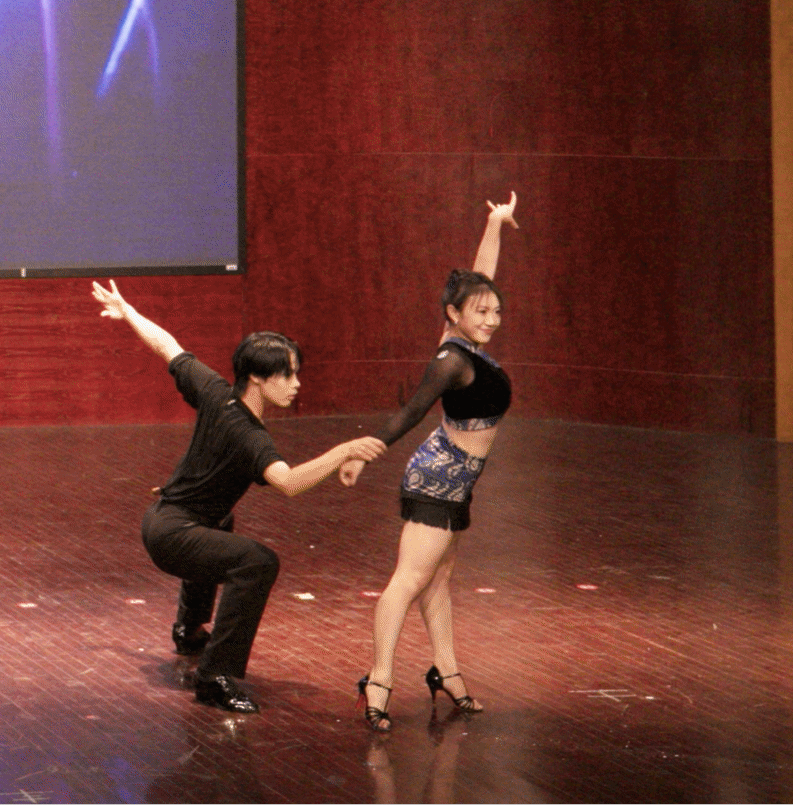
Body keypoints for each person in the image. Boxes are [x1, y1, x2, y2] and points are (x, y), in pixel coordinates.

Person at [93, 280, 386, 714]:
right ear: (257, 377)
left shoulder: (215, 391)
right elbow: (289, 483)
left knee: (220, 523)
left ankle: (189, 629)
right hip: (172, 535)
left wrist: (128, 311)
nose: (296, 384)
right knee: (256, 563)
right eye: (287, 375)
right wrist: (344, 450)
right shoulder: (249, 435)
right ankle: (214, 679)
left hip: (164, 521)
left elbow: (168, 346)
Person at [344, 192, 520, 729]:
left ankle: (446, 670)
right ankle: (378, 680)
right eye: (480, 312)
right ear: (453, 314)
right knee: (408, 582)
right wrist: (364, 452)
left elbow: (480, 278)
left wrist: (494, 223)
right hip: (438, 478)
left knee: (439, 580)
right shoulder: (450, 360)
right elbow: (411, 411)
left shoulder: (461, 338)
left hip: (457, 479)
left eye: (495, 311)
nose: (491, 319)